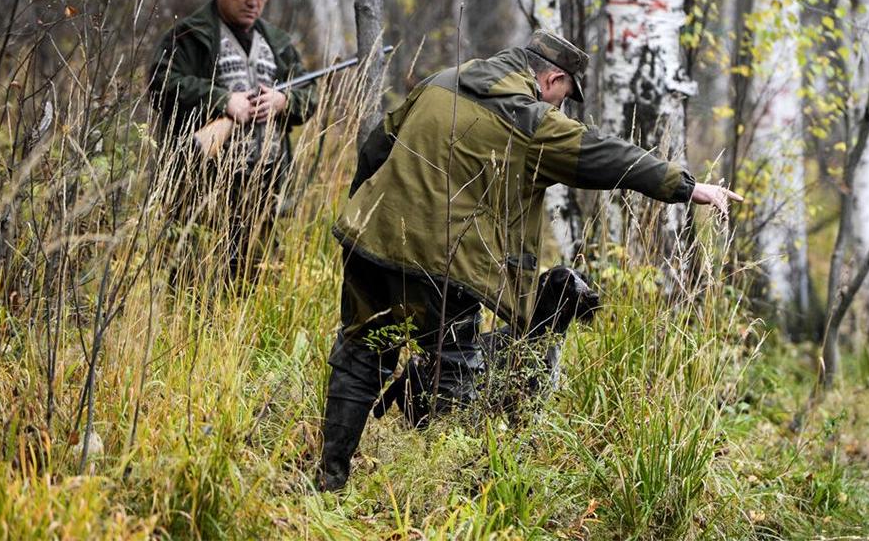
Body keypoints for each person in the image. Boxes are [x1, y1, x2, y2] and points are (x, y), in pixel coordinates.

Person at [317, 30, 744, 491]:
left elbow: (374, 148)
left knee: (361, 354)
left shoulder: (442, 81)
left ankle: (330, 479)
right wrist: (687, 187)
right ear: (552, 78)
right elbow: (605, 155)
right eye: (563, 97)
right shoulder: (531, 120)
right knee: (454, 375)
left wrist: (361, 213)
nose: (560, 108)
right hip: (444, 263)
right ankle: (438, 503)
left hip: (368, 240)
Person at [148, 0, 316, 283]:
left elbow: (309, 97)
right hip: (202, 185)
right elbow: (161, 85)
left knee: (259, 281)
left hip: (264, 185)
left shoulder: (278, 43)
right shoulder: (190, 35)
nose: (253, 1)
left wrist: (283, 101)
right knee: (194, 279)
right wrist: (223, 102)